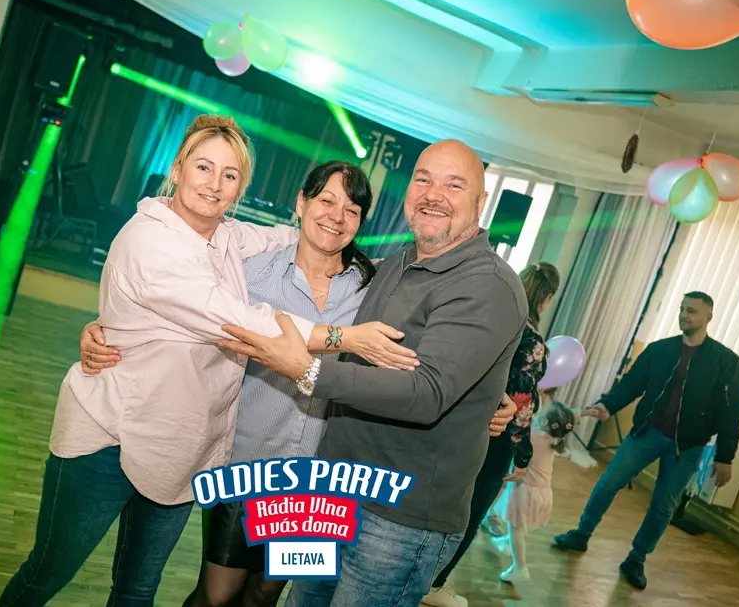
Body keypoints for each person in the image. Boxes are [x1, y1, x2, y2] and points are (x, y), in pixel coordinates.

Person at [0, 116, 417, 606]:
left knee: (247, 593)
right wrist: (349, 338)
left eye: (229, 175)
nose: (215, 184)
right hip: (202, 457)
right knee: (200, 595)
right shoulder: (238, 268)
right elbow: (237, 320)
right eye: (203, 167)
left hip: (291, 475)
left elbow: (407, 300)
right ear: (177, 169)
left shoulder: (347, 279)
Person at [79, 160, 518, 607]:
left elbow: (440, 348)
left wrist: (486, 393)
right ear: (301, 203)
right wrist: (105, 329)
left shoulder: (374, 282)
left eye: (352, 210)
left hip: (320, 482)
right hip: (248, 466)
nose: (336, 216)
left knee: (267, 591)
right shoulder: (250, 273)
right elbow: (184, 311)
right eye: (326, 200)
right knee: (218, 595)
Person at [218, 139, 529, 607]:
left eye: (454, 185)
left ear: (481, 202)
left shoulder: (488, 283)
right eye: (423, 179)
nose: (433, 194)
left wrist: (308, 370)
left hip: (399, 520)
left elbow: (427, 392)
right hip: (330, 492)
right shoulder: (396, 264)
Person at [553, 291, 739, 590]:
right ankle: (581, 534)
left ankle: (636, 559)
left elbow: (731, 412)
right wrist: (609, 405)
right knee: (608, 483)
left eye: (692, 311)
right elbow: (632, 383)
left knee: (663, 507)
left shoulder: (726, 362)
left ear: (708, 316)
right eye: (682, 309)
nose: (684, 315)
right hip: (647, 432)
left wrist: (725, 456)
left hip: (687, 447)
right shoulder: (660, 350)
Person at [421, 261, 560, 607]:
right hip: (496, 435)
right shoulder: (532, 342)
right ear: (546, 300)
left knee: (441, 501)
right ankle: (434, 584)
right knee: (471, 512)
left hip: (458, 422)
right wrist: (523, 456)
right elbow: (522, 405)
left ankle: (417, 572)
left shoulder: (490, 321)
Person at [491, 399, 575, 583]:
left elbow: (518, 428)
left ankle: (520, 567)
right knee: (519, 524)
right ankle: (508, 542)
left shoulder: (535, 436)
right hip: (541, 492)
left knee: (516, 527)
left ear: (544, 422)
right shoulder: (555, 438)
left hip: (527, 492)